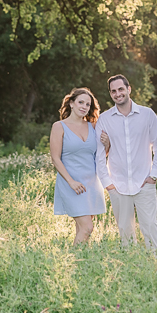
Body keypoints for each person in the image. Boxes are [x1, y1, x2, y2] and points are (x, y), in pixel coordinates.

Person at [96, 74, 157, 254]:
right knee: (125, 232)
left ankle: (156, 265)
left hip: (144, 182)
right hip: (117, 185)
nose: (117, 94)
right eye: (113, 91)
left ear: (129, 89)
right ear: (110, 94)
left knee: (150, 226)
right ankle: (131, 267)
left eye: (121, 89)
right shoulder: (104, 119)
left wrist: (153, 176)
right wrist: (107, 184)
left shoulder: (147, 115)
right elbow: (98, 154)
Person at [50, 87, 108, 244]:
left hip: (92, 183)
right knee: (87, 228)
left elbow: (100, 156)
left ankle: (80, 264)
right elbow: (55, 158)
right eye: (81, 102)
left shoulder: (93, 126)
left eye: (88, 104)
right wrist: (71, 182)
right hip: (72, 183)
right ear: (71, 103)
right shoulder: (59, 126)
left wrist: (107, 144)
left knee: (83, 229)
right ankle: (71, 261)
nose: (84, 107)